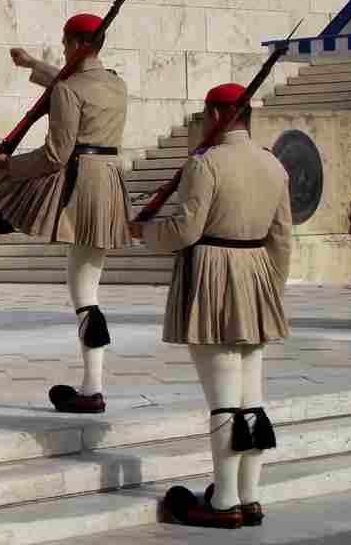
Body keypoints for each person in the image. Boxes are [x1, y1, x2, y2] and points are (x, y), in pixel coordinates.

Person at [130, 82, 292, 529]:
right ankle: (250, 496)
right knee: (251, 398)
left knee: (224, 400)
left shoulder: (205, 165)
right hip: (257, 272)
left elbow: (185, 230)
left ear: (214, 115)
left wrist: (143, 233)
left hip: (215, 274)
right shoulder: (273, 164)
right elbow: (281, 239)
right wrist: (269, 290)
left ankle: (223, 503)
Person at [0, 13, 130, 414]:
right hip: (109, 182)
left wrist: (9, 166)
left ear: (77, 44)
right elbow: (75, 85)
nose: (61, 49)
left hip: (78, 181)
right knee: (88, 289)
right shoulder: (115, 83)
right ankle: (92, 385)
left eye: (64, 44)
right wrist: (33, 66)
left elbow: (55, 153)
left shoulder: (70, 91)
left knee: (82, 294)